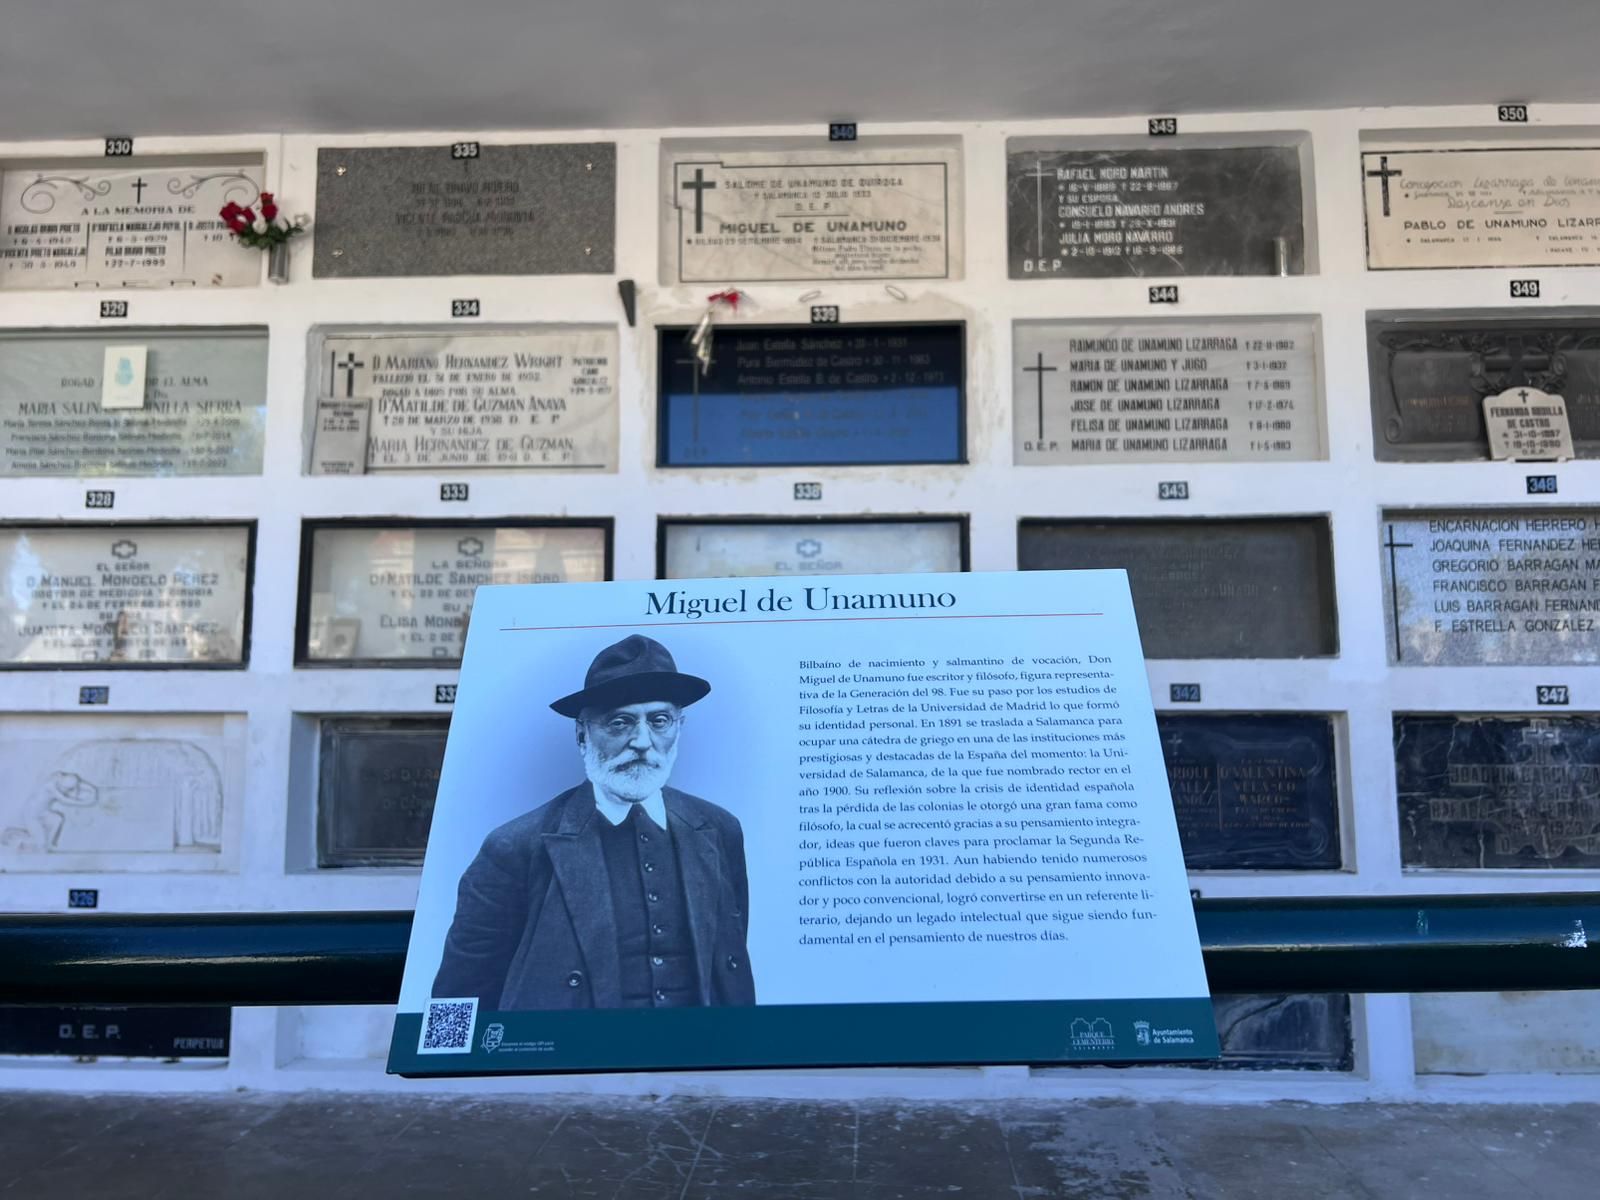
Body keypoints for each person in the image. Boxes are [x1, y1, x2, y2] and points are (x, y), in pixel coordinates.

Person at [432, 634, 755, 1011]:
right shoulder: (515, 847)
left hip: (696, 1057)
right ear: (582, 735)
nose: (642, 742)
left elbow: (729, 963)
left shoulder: (718, 830)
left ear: (679, 727)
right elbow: (461, 991)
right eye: (620, 723)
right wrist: (452, 1062)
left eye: (660, 721)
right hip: (572, 1064)